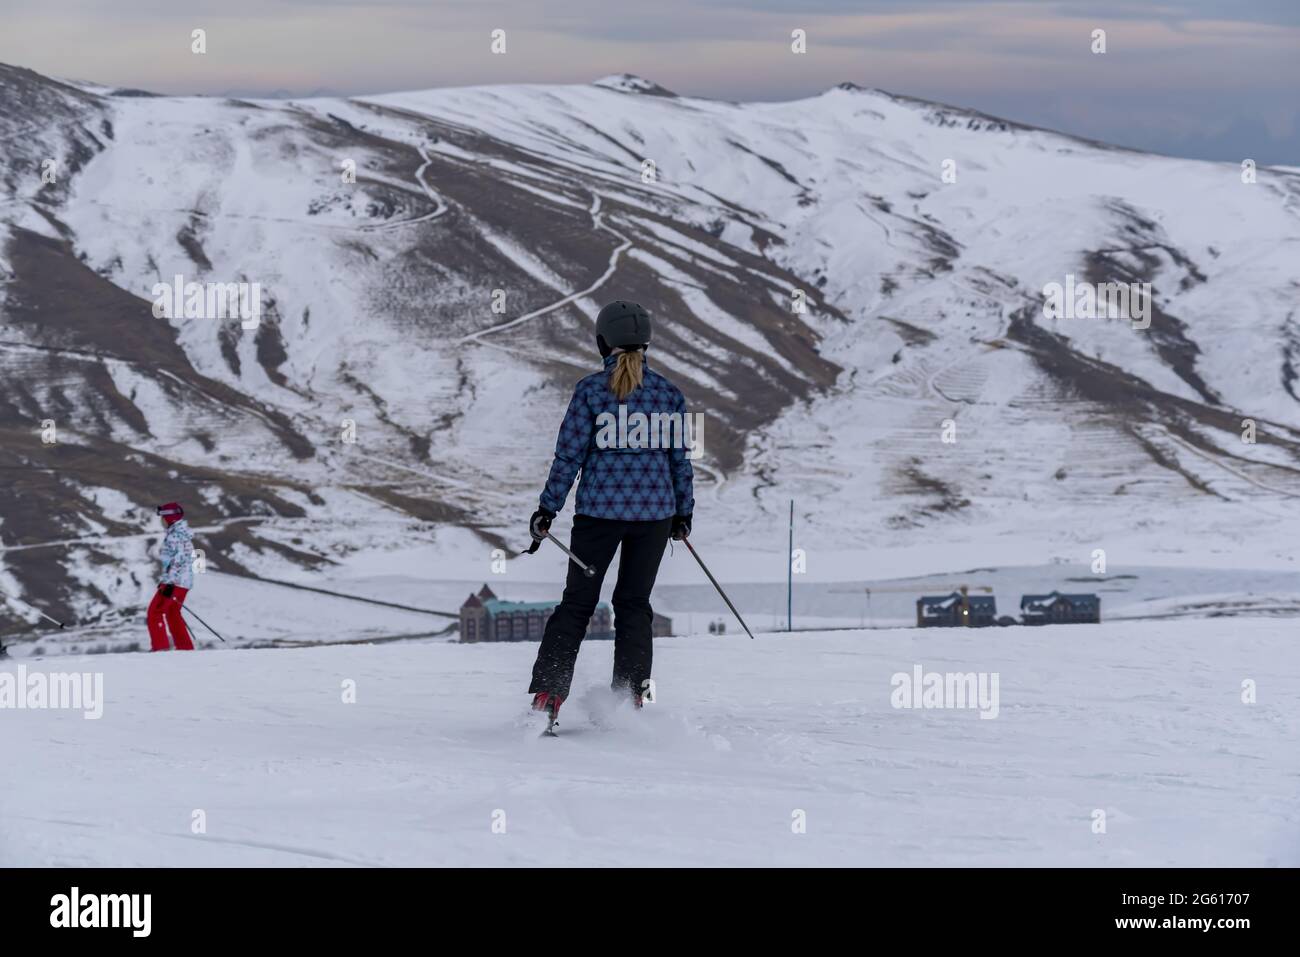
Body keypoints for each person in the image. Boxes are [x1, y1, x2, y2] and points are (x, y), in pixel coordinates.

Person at [527, 300, 694, 726]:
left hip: (598, 516)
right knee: (634, 605)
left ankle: (548, 698)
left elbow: (568, 457)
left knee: (577, 605)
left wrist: (548, 508)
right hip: (655, 517)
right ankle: (628, 702)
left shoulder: (589, 391)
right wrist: (682, 514)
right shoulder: (668, 394)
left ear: (603, 341)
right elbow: (681, 461)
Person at [148, 502, 195, 652]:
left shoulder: (175, 536)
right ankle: (185, 648)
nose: (161, 521)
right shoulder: (182, 533)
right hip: (184, 582)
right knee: (172, 612)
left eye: (163, 518)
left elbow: (178, 560)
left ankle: (160, 647)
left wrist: (169, 582)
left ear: (170, 518)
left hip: (174, 582)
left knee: (154, 612)